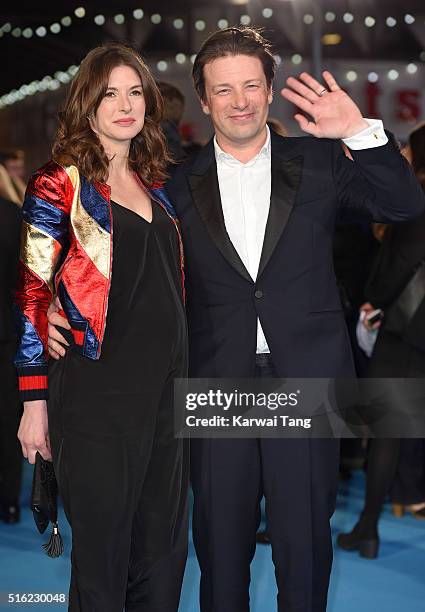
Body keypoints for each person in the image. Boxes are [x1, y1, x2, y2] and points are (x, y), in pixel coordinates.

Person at [48, 28, 425, 612]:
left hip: (307, 382)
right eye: (224, 89)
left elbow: (404, 205)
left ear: (271, 90)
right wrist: (58, 302)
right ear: (204, 99)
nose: (240, 100)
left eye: (251, 85)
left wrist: (358, 130)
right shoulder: (170, 182)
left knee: (303, 545)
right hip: (213, 381)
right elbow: (122, 266)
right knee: (220, 547)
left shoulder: (321, 161)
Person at [14, 43, 189, 611]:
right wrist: (33, 401)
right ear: (86, 104)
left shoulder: (158, 186)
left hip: (167, 396)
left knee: (163, 558)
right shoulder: (57, 183)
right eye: (110, 93)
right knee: (104, 562)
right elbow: (31, 295)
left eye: (135, 92)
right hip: (96, 396)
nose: (125, 105)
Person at [338, 122, 425, 558]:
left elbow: (399, 266)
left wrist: (373, 301)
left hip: (405, 334)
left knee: (387, 437)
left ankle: (368, 528)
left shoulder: (415, 206)